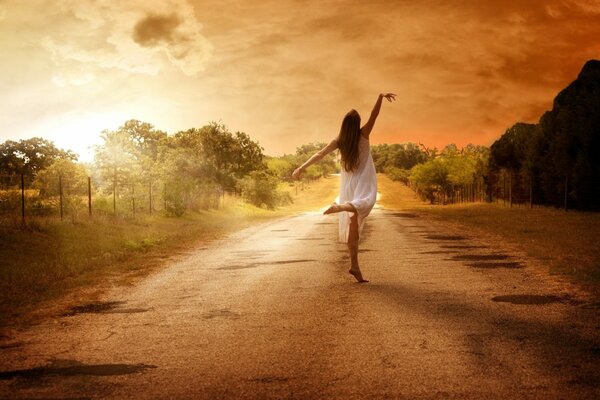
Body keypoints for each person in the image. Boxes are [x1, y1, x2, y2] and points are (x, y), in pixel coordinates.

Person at [292, 93, 396, 282]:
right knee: (365, 202)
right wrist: (380, 97)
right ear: (357, 124)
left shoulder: (339, 140)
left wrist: (301, 167)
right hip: (363, 179)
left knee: (353, 225)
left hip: (348, 183)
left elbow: (320, 154)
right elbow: (374, 115)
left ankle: (355, 266)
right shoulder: (363, 134)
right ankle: (341, 206)